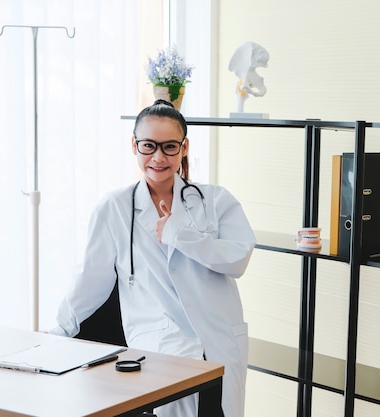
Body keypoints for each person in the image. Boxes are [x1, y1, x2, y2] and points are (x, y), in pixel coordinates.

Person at [50, 99, 256, 417]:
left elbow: (237, 258)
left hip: (218, 336)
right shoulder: (114, 208)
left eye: (169, 147)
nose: (158, 157)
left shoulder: (215, 201)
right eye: (148, 146)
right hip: (159, 341)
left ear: (184, 147)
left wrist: (178, 233)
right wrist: (59, 332)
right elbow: (90, 280)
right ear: (134, 145)